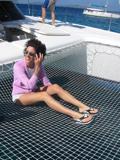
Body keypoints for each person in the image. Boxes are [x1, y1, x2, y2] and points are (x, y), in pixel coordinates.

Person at [12, 39, 98, 125]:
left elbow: (46, 83)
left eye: (31, 54)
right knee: (44, 95)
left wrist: (55, 90)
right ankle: (75, 115)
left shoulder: (39, 65)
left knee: (55, 86)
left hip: (33, 92)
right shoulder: (18, 66)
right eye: (25, 52)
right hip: (20, 96)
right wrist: (37, 69)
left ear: (38, 56)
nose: (27, 56)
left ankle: (82, 107)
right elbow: (29, 86)